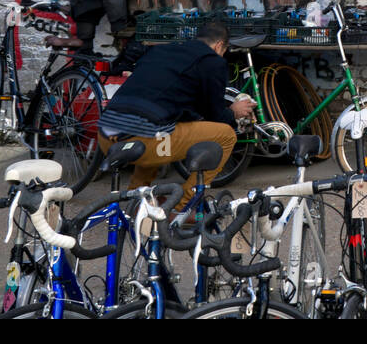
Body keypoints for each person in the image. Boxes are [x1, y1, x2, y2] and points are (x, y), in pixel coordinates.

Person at [96, 20, 251, 206]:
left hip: (105, 135)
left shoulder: (161, 51)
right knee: (225, 136)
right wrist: (234, 112)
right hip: (143, 141)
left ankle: (137, 202)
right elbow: (215, 117)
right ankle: (184, 206)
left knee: (158, 126)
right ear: (219, 46)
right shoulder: (212, 61)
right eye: (224, 51)